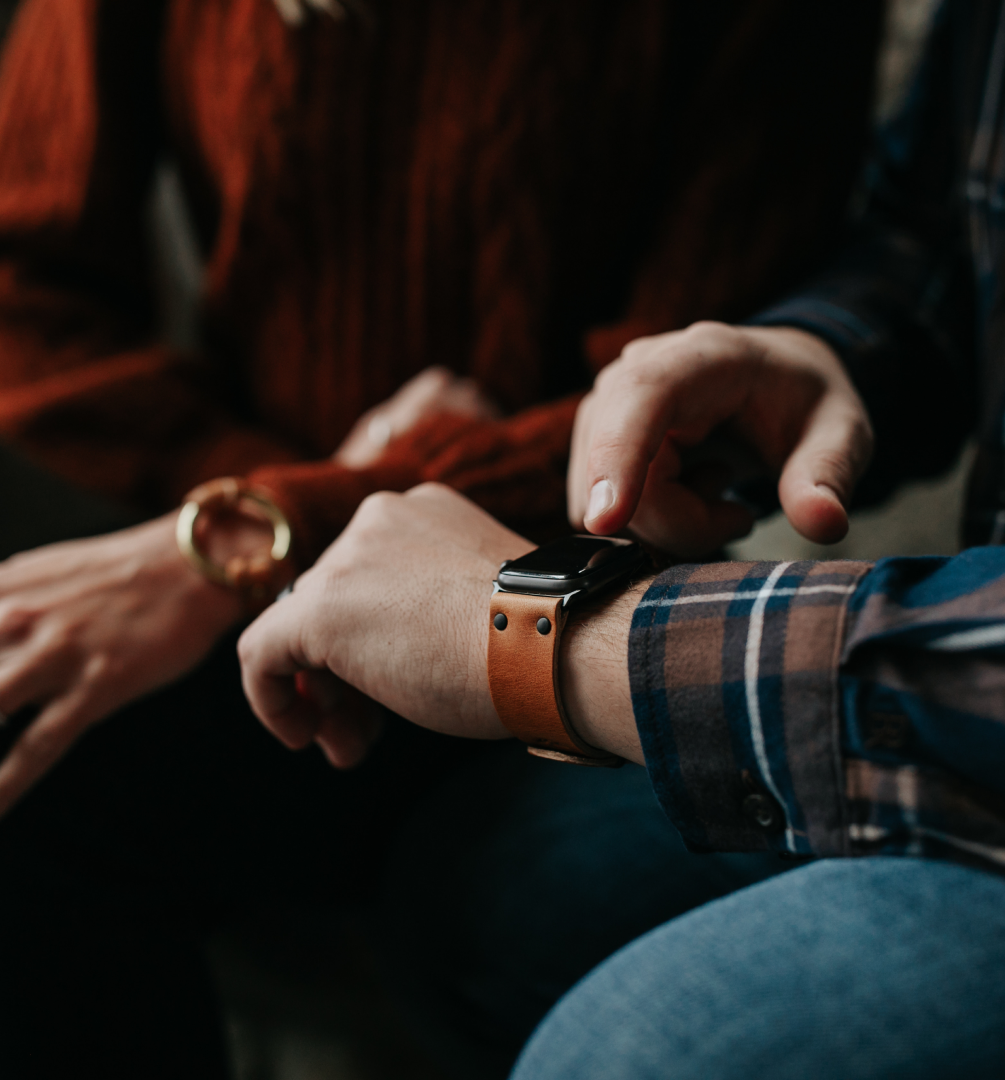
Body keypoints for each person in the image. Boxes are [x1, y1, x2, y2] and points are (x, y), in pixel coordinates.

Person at [0, 1, 885, 1074]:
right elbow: (22, 285)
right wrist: (298, 500)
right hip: (262, 572)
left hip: (577, 587)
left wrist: (297, 514)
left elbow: (699, 392)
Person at [238, 1, 1005, 1075]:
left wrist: (567, 648)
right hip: (986, 670)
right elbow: (934, 236)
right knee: (473, 894)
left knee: (643, 1052)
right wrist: (818, 348)